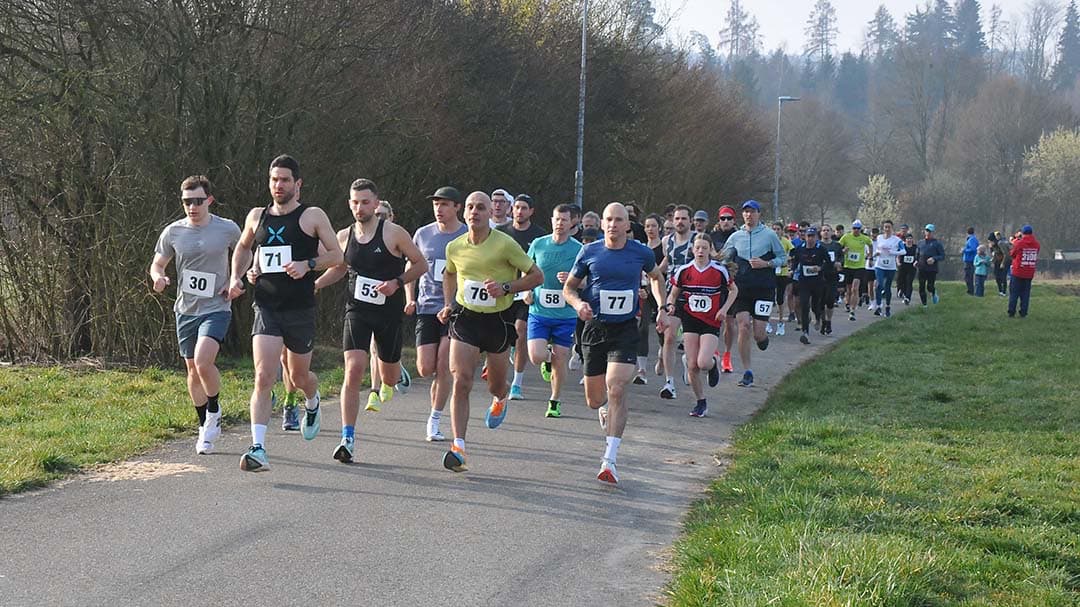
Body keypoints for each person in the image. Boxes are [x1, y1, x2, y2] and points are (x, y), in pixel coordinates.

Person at [228, 154, 343, 472]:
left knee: (298, 376)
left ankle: (312, 399)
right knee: (264, 376)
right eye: (274, 180)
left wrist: (307, 264)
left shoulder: (312, 216)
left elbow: (337, 256)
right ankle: (258, 448)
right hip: (266, 306)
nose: (278, 186)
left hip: (300, 309)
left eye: (285, 180)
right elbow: (244, 248)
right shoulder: (256, 215)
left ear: (298, 184)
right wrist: (240, 275)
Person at [311, 180, 427, 462]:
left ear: (376, 204)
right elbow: (339, 269)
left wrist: (397, 283)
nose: (359, 207)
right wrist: (314, 285)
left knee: (388, 375)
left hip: (388, 313)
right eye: (354, 202)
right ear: (349, 204)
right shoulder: (343, 236)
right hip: (357, 311)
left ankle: (396, 372)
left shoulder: (394, 233)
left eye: (365, 202)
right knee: (354, 368)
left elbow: (420, 264)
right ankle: (347, 437)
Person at [437, 192, 544, 472]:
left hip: (498, 321)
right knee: (461, 379)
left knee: (495, 384)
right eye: (470, 207)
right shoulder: (455, 247)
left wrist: (506, 287)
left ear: (490, 214)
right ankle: (458, 445)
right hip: (465, 319)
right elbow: (449, 273)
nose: (475, 212)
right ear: (464, 212)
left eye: (481, 208)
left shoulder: (505, 244)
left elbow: (537, 276)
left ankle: (500, 397)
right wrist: (449, 304)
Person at [564, 203, 667, 485]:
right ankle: (604, 410)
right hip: (595, 329)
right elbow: (569, 288)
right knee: (595, 399)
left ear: (627, 225)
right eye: (608, 219)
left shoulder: (641, 253)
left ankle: (609, 459)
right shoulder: (590, 251)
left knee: (618, 387)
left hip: (624, 329)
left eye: (618, 220)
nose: (612, 224)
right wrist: (578, 304)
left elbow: (657, 278)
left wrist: (662, 306)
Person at [150, 175, 241, 455]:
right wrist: (158, 277)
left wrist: (236, 279)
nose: (193, 207)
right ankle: (205, 427)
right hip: (186, 309)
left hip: (217, 306)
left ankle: (214, 408)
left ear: (209, 200)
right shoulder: (173, 232)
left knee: (203, 361)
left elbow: (247, 252)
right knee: (192, 370)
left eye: (198, 201)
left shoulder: (227, 229)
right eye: (187, 202)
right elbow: (158, 263)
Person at [407, 186, 468, 442]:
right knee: (425, 368)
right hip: (426, 307)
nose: (439, 209)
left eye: (444, 204)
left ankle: (434, 419)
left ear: (457, 207)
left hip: (457, 310)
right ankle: (433, 404)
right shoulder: (423, 234)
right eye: (436, 205)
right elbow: (411, 266)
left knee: (444, 365)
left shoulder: (468, 234)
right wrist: (409, 298)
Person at [665, 233, 736, 417]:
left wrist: (725, 309)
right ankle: (700, 402)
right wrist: (671, 305)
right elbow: (673, 293)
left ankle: (713, 365)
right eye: (697, 248)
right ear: (692, 250)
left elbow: (733, 290)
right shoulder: (684, 270)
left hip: (711, 320)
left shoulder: (719, 271)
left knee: (703, 362)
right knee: (692, 365)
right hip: (690, 319)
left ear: (710, 250)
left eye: (704, 248)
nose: (700, 251)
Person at [525, 204, 583, 418]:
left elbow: (587, 280)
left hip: (565, 314)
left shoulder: (578, 249)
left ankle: (555, 401)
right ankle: (547, 360)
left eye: (564, 220)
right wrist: (527, 292)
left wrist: (573, 279)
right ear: (551, 220)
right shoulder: (539, 244)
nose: (560, 224)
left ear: (572, 223)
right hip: (539, 310)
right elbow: (526, 269)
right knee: (536, 356)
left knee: (562, 357)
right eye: (557, 219)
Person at [721, 200, 786, 388]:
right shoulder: (735, 236)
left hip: (764, 288)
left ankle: (762, 338)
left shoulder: (770, 235)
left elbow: (782, 258)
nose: (749, 215)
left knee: (758, 333)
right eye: (746, 212)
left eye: (752, 212)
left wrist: (766, 264)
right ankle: (747, 371)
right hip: (741, 288)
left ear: (759, 214)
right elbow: (724, 257)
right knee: (743, 326)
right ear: (742, 215)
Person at [498, 194, 548, 400]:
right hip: (502, 290)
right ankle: (507, 356)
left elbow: (541, 266)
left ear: (531, 211)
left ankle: (517, 383)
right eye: (517, 207)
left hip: (526, 291)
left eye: (524, 208)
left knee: (521, 329)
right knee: (501, 334)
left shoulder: (539, 236)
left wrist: (531, 288)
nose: (519, 211)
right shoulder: (500, 233)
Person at [656, 205, 695, 398]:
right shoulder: (667, 241)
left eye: (683, 219)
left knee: (690, 338)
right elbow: (667, 262)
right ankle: (669, 382)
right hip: (673, 293)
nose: (679, 222)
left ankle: (690, 361)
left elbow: (710, 259)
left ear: (690, 221)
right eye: (676, 218)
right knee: (669, 337)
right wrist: (652, 273)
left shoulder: (698, 240)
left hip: (694, 294)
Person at [636, 213, 666, 385]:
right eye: (647, 226)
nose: (650, 229)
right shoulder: (642, 248)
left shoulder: (663, 246)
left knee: (661, 328)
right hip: (645, 291)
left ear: (659, 227)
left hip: (660, 290)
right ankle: (641, 369)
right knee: (642, 327)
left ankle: (663, 353)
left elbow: (663, 269)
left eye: (653, 226)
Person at [788, 226, 831, 344]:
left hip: (817, 282)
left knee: (815, 305)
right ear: (805, 237)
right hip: (804, 282)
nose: (810, 239)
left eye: (812, 236)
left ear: (816, 237)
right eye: (808, 236)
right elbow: (795, 261)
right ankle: (805, 333)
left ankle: (818, 317)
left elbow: (828, 264)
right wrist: (792, 270)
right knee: (804, 305)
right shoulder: (800, 249)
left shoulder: (821, 249)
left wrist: (820, 268)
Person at [710, 206, 739, 372]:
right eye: (723, 218)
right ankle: (714, 352)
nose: (726, 221)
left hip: (732, 284)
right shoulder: (712, 236)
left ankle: (727, 355)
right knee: (713, 319)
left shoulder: (739, 237)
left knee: (729, 321)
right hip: (714, 284)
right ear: (718, 220)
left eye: (729, 218)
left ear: (734, 220)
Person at [839, 219, 873, 321]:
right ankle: (848, 304)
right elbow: (838, 248)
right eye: (854, 228)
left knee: (855, 288)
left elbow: (870, 245)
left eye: (858, 229)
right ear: (851, 228)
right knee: (848, 289)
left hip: (859, 267)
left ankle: (853, 311)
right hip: (848, 266)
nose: (856, 230)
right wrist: (843, 251)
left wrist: (870, 256)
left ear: (860, 229)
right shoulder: (846, 237)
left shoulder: (864, 238)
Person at [872, 220, 904, 318]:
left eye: (889, 227)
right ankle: (878, 306)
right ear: (883, 228)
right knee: (879, 285)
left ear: (892, 228)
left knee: (887, 287)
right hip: (879, 265)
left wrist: (893, 252)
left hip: (891, 266)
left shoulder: (897, 240)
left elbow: (903, 251)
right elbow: (876, 249)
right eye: (885, 227)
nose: (887, 229)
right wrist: (876, 253)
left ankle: (888, 307)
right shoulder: (879, 237)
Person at [767, 221, 794, 336]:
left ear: (782, 231)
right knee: (769, 297)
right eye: (774, 229)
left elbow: (793, 254)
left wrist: (788, 263)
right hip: (770, 273)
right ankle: (767, 322)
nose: (776, 231)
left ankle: (780, 322)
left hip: (782, 273)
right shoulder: (768, 241)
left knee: (780, 299)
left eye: (778, 229)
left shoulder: (786, 242)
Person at [1008, 225, 1040, 318]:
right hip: (1029, 272)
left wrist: (1014, 241)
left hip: (1018, 272)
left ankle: (1011, 311)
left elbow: (1012, 254)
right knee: (1025, 294)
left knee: (1014, 293)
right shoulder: (1037, 244)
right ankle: (1023, 312)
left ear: (1022, 233)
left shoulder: (1019, 243)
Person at [817, 224, 843, 335]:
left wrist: (839, 263)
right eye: (824, 230)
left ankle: (829, 321)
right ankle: (823, 321)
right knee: (821, 302)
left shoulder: (836, 245)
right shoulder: (818, 245)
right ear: (821, 233)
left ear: (832, 232)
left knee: (830, 300)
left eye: (828, 230)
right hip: (820, 277)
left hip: (832, 276)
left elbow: (841, 257)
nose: (826, 232)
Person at [916, 224, 945, 307]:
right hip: (922, 267)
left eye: (930, 231)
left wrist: (934, 258)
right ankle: (924, 305)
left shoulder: (937, 243)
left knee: (929, 286)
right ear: (925, 231)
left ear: (933, 232)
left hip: (932, 269)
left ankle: (933, 293)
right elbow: (917, 254)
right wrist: (915, 261)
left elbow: (942, 256)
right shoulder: (920, 243)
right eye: (927, 231)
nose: (928, 233)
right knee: (921, 286)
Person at [897, 233, 918, 305]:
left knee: (909, 282)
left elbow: (918, 256)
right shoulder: (903, 247)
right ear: (905, 240)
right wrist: (898, 262)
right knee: (901, 281)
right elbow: (898, 256)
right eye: (907, 238)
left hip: (912, 267)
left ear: (912, 240)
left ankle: (907, 297)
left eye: (910, 238)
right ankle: (902, 291)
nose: (909, 240)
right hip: (903, 267)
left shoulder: (915, 247)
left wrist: (916, 261)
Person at [989, 232, 1008, 297]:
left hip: (1003, 261)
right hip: (996, 262)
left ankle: (1004, 291)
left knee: (1003, 277)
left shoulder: (1000, 244)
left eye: (991, 241)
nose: (990, 243)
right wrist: (991, 249)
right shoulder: (992, 246)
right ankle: (1000, 291)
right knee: (997, 277)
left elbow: (1005, 254)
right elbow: (993, 253)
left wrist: (1003, 263)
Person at [962, 226, 979, 295]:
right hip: (968, 259)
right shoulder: (971, 239)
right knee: (968, 276)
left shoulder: (972, 239)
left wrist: (964, 250)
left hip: (970, 260)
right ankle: (970, 290)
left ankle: (970, 291)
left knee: (968, 276)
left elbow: (973, 249)